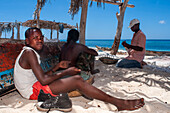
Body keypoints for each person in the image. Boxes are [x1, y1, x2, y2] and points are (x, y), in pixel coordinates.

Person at [14, 27, 144, 112]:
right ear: (27, 41)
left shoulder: (29, 52)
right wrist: (66, 72)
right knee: (76, 79)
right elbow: (42, 80)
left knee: (75, 79)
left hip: (33, 86)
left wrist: (58, 67)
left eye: (41, 37)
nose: (40, 40)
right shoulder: (29, 53)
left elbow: (42, 76)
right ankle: (118, 103)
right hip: (31, 91)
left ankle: (99, 95)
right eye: (35, 38)